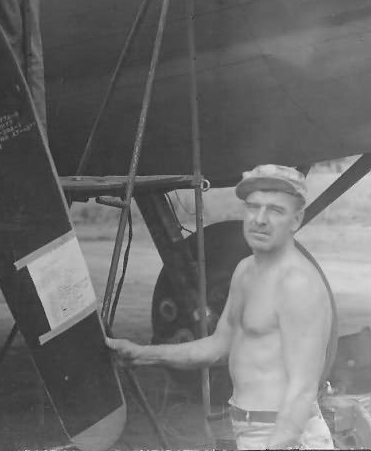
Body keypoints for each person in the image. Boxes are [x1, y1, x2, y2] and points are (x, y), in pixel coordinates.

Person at [106, 165, 334, 450]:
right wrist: (143, 355)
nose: (259, 220)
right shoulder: (245, 271)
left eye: (275, 210)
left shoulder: (299, 285)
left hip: (288, 434)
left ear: (296, 220)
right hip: (249, 427)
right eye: (253, 208)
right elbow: (216, 346)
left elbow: (303, 389)